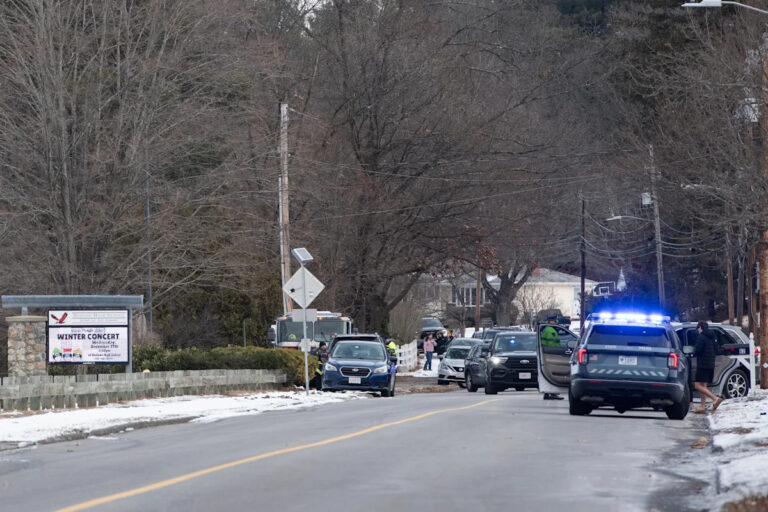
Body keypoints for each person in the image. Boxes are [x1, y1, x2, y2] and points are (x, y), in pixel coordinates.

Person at [692, 321, 723, 414]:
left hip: (702, 364)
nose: (697, 331)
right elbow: (717, 349)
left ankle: (715, 398)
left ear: (700, 327)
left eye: (698, 329)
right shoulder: (713, 337)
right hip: (710, 364)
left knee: (697, 385)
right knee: (703, 385)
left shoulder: (701, 337)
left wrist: (693, 352)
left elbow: (697, 351)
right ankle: (702, 406)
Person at [540, 320, 563, 400]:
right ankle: (552, 393)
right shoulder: (551, 331)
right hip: (553, 354)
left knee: (548, 374)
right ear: (551, 321)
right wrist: (559, 351)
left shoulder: (547, 330)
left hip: (547, 354)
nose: (556, 323)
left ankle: (547, 393)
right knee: (554, 374)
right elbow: (552, 344)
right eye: (555, 321)